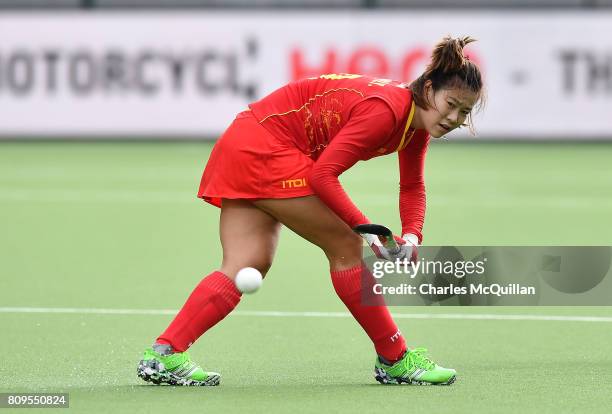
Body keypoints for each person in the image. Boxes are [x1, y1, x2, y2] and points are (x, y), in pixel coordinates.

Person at [137, 36, 484, 386]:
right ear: (428, 88)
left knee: (247, 262)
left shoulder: (415, 123)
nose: (453, 118)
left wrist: (412, 234)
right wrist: (365, 228)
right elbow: (323, 175)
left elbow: (412, 186)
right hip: (265, 148)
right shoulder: (386, 110)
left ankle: (165, 353)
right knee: (347, 246)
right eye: (451, 104)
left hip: (246, 141)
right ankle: (395, 359)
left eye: (464, 112)